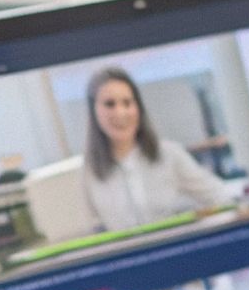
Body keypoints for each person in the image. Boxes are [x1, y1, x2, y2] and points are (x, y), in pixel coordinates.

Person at [84, 68, 232, 231]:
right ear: (94, 111)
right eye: (109, 104)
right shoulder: (88, 171)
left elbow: (221, 198)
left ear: (138, 107)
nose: (120, 112)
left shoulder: (170, 154)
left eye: (127, 103)